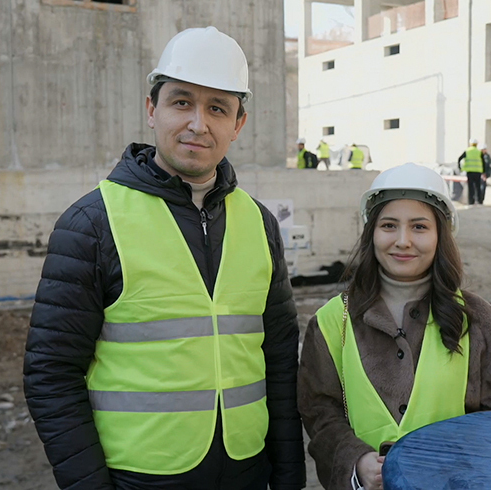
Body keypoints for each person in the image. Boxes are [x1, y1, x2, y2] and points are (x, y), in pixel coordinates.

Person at [24, 27, 305, 490]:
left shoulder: (259, 223)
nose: (198, 124)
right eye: (181, 102)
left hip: (247, 473)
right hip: (140, 478)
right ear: (152, 109)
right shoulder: (93, 223)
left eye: (217, 108)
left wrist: (289, 477)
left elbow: (278, 363)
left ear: (238, 124)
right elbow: (51, 375)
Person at [298, 163, 491, 490]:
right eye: (389, 225)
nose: (403, 241)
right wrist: (356, 461)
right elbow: (320, 412)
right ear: (371, 232)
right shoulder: (330, 322)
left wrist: (457, 467)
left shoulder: (479, 321)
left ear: (441, 235)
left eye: (419, 227)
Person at [457, 138, 485, 205]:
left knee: (471, 187)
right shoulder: (479, 152)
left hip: (470, 172)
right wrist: (484, 171)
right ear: (476, 144)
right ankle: (479, 201)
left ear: (470, 144)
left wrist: (460, 168)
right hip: (478, 172)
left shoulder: (467, 151)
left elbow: (459, 159)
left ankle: (471, 201)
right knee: (478, 187)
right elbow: (483, 162)